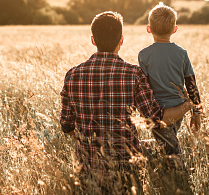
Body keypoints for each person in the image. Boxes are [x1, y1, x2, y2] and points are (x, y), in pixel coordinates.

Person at [59, 11, 194, 184]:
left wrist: (94, 142)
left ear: (93, 40)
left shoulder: (72, 75)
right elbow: (157, 121)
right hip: (128, 172)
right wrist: (189, 104)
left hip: (87, 171)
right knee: (160, 145)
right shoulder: (133, 74)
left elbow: (66, 125)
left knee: (150, 144)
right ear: (121, 40)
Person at [138, 3, 202, 167]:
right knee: (169, 141)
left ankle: (174, 172)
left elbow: (144, 87)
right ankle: (172, 171)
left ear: (148, 29)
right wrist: (197, 111)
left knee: (168, 145)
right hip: (178, 108)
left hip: (157, 109)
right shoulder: (181, 53)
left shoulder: (144, 55)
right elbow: (191, 84)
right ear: (174, 29)